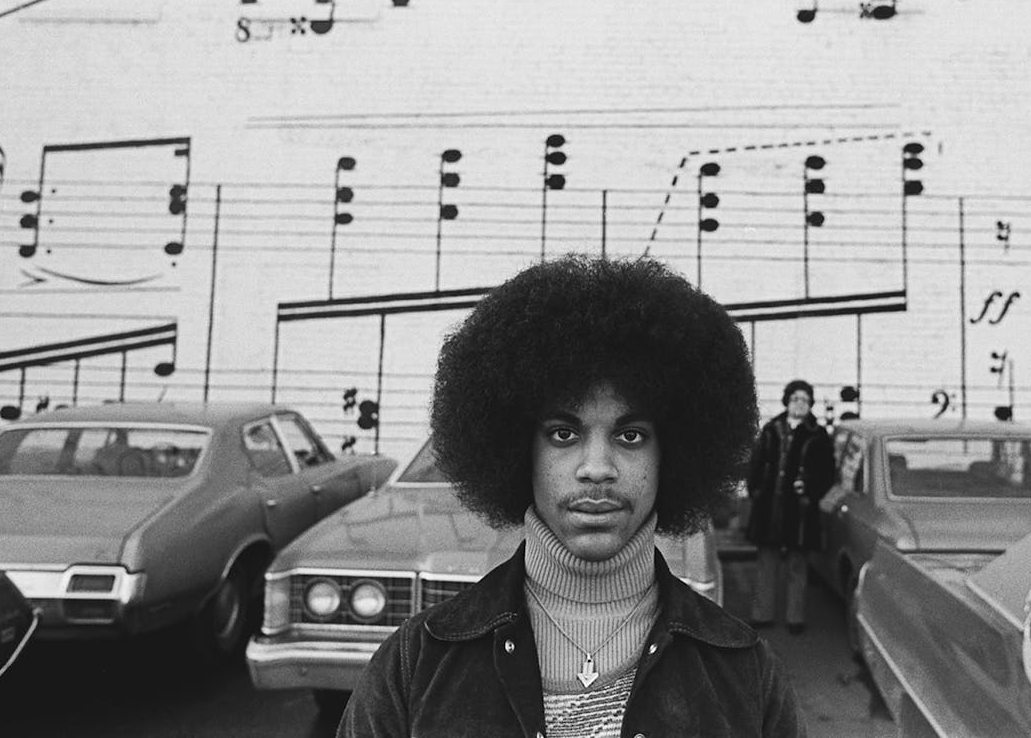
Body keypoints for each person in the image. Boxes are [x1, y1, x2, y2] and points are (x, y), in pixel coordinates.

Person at [339, 255, 806, 738]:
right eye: (564, 433)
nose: (597, 468)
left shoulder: (745, 673)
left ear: (672, 452)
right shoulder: (416, 664)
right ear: (521, 449)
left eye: (630, 436)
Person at [744, 379, 835, 634]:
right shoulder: (772, 428)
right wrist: (756, 491)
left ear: (810, 405)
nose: (800, 404)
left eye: (805, 400)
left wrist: (809, 489)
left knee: (798, 562)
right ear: (787, 401)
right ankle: (762, 614)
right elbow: (756, 463)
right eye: (795, 399)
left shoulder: (818, 434)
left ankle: (795, 617)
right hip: (770, 506)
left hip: (801, 510)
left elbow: (828, 473)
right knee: (766, 559)